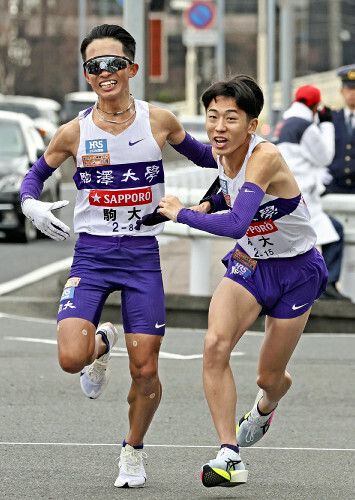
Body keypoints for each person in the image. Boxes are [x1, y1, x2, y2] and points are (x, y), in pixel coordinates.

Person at [20, 24, 217, 489]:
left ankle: (133, 449)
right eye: (94, 66)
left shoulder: (159, 121)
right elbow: (33, 178)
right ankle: (103, 341)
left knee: (146, 367)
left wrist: (251, 144)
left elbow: (211, 157)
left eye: (113, 63)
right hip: (92, 254)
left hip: (142, 255)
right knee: (71, 358)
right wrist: (31, 203)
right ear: (87, 74)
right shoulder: (73, 132)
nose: (104, 73)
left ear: (131, 67)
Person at [157, 75, 328, 488]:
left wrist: (182, 213)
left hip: (297, 271)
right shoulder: (222, 152)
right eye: (212, 116)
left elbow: (237, 223)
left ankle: (266, 407)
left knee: (268, 378)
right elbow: (225, 190)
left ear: (252, 124)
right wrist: (207, 202)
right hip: (249, 264)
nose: (219, 127)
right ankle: (228, 454)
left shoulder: (264, 157)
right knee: (214, 345)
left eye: (231, 118)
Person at [275, 85, 350, 301]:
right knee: (334, 234)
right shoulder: (304, 125)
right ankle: (327, 286)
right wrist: (327, 124)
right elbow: (325, 156)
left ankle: (285, 289)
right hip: (302, 196)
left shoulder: (284, 123)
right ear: (315, 106)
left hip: (285, 194)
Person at [324, 64, 355, 194]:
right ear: (342, 91)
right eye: (349, 88)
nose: (352, 93)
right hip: (334, 188)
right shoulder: (330, 119)